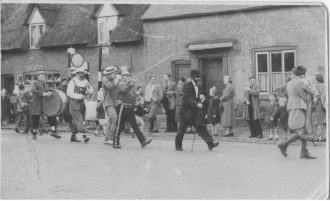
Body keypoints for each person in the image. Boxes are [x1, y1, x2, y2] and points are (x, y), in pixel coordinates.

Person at [278, 66, 318, 159]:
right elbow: (313, 92)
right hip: (300, 107)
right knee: (303, 130)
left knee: (304, 129)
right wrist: (311, 83)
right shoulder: (303, 81)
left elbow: (282, 91)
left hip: (292, 107)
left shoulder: (289, 83)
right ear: (303, 73)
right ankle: (284, 144)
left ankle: (304, 152)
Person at [175, 70, 220, 151]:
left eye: (199, 77)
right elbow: (187, 98)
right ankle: (178, 145)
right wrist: (196, 103)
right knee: (182, 128)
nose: (199, 79)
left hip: (194, 111)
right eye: (197, 77)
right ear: (193, 77)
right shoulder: (187, 85)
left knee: (201, 126)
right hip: (185, 110)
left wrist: (202, 97)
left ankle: (210, 144)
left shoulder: (198, 86)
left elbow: (197, 96)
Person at [113, 69, 152, 149]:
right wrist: (130, 84)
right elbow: (123, 90)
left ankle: (142, 141)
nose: (127, 77)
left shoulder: (131, 85)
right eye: (125, 75)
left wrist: (135, 104)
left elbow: (133, 96)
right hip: (122, 107)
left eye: (128, 75)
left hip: (130, 107)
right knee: (119, 125)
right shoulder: (119, 83)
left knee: (135, 125)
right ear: (122, 76)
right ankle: (115, 142)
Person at [30, 71, 61, 140]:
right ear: (38, 76)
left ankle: (53, 131)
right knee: (36, 119)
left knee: (51, 115)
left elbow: (46, 90)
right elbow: (32, 90)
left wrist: (50, 91)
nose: (43, 76)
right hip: (37, 103)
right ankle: (34, 134)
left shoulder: (44, 83)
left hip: (45, 103)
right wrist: (43, 93)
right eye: (41, 75)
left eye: (44, 75)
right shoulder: (34, 83)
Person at [67, 68, 94, 143]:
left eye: (83, 73)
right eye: (80, 73)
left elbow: (91, 89)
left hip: (82, 103)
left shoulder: (85, 81)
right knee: (79, 119)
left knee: (77, 120)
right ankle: (85, 136)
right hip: (74, 103)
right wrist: (78, 96)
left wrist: (89, 91)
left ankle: (73, 136)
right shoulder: (73, 81)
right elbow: (69, 92)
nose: (81, 75)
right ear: (77, 73)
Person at [102, 66, 120, 144]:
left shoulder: (115, 79)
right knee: (114, 117)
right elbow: (110, 86)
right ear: (108, 74)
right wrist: (117, 79)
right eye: (111, 73)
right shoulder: (105, 79)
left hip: (115, 102)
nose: (113, 74)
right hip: (108, 102)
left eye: (114, 73)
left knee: (111, 120)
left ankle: (108, 138)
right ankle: (110, 138)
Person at [312, 74, 326, 142]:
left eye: (315, 79)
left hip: (318, 105)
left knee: (317, 121)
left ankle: (318, 137)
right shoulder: (325, 86)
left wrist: (314, 103)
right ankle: (324, 136)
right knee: (324, 121)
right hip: (325, 105)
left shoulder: (316, 87)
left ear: (317, 79)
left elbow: (316, 98)